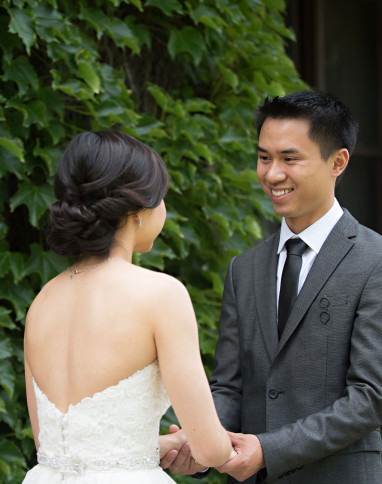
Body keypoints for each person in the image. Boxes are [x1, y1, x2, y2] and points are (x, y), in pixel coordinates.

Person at [161, 90, 382, 483]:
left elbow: (370, 399)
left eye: (289, 158)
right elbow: (230, 386)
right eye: (264, 157)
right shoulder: (242, 269)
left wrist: (269, 450)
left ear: (338, 162)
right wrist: (199, 443)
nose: (272, 174)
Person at [22, 131, 235, 483]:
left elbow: (53, 444)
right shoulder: (161, 295)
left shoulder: (41, 301)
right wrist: (199, 443)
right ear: (137, 209)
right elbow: (210, 449)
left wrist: (156, 443)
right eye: (162, 197)